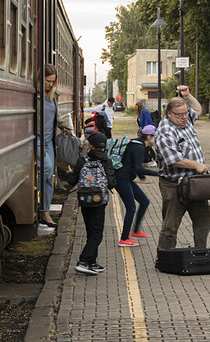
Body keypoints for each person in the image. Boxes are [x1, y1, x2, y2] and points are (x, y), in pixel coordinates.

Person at [154, 85, 210, 250]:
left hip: (195, 182)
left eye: (186, 113)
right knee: (170, 225)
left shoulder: (186, 119)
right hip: (174, 184)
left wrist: (187, 96)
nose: (184, 118)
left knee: (204, 217)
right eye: (180, 115)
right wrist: (197, 165)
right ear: (169, 114)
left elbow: (198, 109)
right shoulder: (165, 131)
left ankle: (201, 251)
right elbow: (174, 160)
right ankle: (165, 256)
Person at [67, 131, 116, 275]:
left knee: (91, 231)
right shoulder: (107, 161)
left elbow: (72, 181)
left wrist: (70, 172)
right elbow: (112, 184)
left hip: (84, 201)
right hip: (99, 202)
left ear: (90, 145)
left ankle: (91, 262)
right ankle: (83, 261)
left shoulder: (83, 160)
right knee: (97, 234)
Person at [36, 63, 72, 228]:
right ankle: (39, 207)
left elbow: (55, 116)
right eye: (48, 81)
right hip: (38, 140)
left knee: (49, 176)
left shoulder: (53, 96)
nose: (50, 85)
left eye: (52, 82)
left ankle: (45, 212)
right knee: (47, 169)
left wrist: (64, 125)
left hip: (50, 142)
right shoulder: (34, 96)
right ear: (40, 79)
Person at [115, 125, 159, 246]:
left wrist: (142, 176)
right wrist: (158, 174)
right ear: (149, 137)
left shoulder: (137, 145)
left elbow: (134, 165)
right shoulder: (139, 147)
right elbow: (139, 168)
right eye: (155, 137)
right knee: (131, 208)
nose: (156, 140)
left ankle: (136, 231)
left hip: (126, 178)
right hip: (121, 179)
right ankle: (124, 239)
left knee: (144, 201)